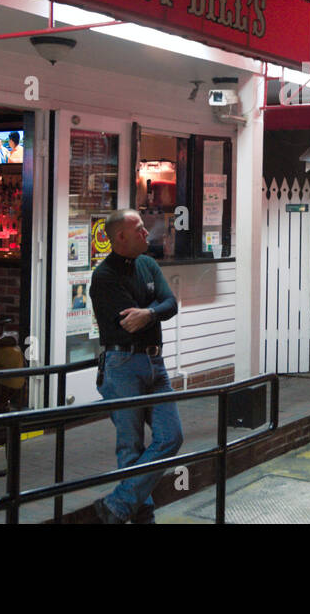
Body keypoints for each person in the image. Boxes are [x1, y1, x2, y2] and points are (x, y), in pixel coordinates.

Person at [88, 208, 184, 524]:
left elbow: (171, 304)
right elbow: (128, 324)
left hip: (155, 362)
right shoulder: (104, 277)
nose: (147, 233)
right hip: (122, 364)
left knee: (171, 436)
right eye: (140, 229)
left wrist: (149, 313)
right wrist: (152, 310)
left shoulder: (148, 264)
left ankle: (116, 507)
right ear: (121, 237)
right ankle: (143, 519)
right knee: (130, 448)